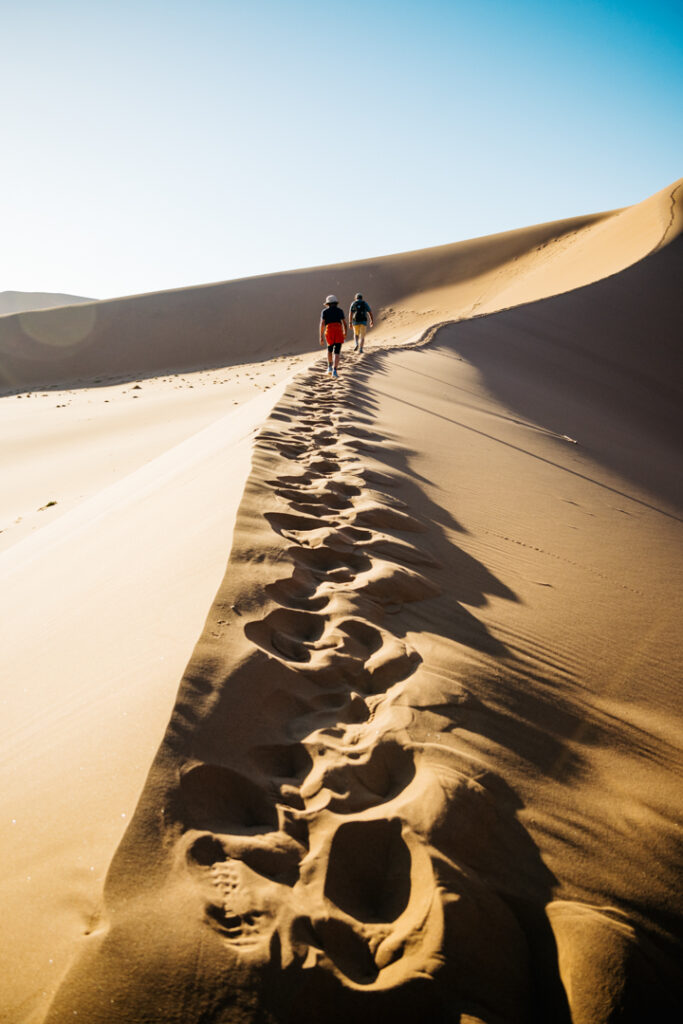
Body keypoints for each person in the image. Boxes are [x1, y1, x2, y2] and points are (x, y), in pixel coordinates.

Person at [319, 294, 347, 378]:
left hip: (329, 330)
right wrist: (345, 332)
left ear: (328, 304)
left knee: (329, 349)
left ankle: (329, 367)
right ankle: (335, 370)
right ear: (336, 303)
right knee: (337, 351)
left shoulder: (324, 311)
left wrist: (320, 336)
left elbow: (322, 324)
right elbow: (344, 323)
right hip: (338, 330)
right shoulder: (340, 311)